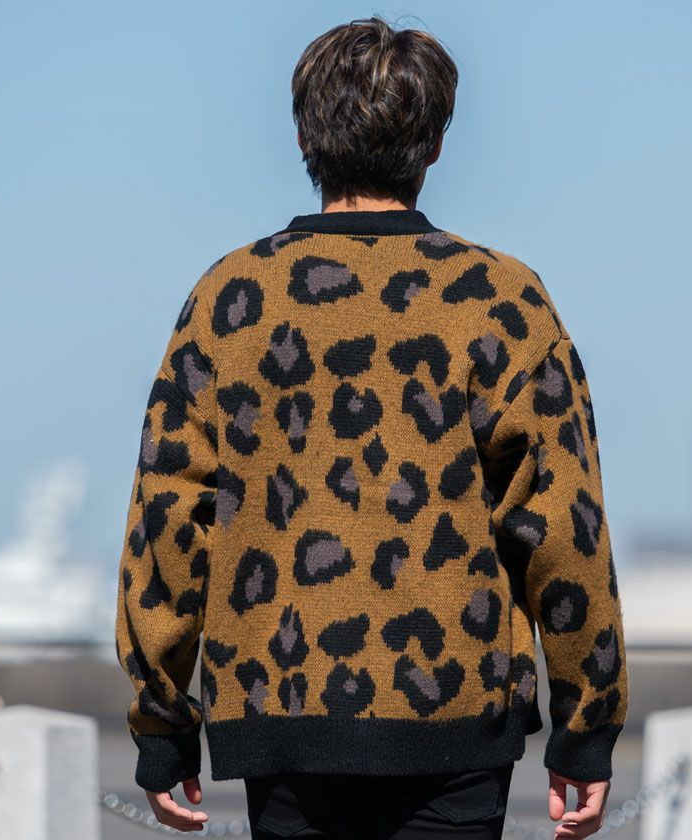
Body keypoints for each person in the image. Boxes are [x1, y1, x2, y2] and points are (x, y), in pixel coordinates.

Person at [114, 14, 629, 840]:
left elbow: (168, 520)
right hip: (458, 715)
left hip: (279, 709)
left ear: (302, 137)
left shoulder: (230, 298)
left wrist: (161, 724)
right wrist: (587, 724)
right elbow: (565, 524)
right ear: (434, 145)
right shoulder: (502, 298)